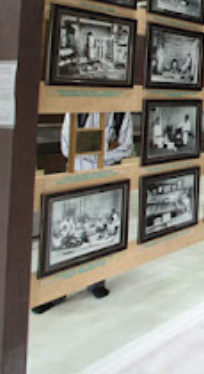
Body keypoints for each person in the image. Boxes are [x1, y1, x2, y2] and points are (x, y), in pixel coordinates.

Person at [35, 112, 134, 313]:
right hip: (75, 179)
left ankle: (96, 280)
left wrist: (91, 154)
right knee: (67, 238)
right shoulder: (75, 111)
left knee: (99, 232)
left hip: (104, 179)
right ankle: (57, 291)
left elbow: (126, 147)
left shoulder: (120, 113)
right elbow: (66, 148)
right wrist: (99, 154)